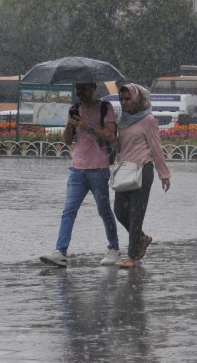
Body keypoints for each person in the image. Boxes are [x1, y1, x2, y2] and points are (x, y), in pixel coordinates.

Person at [40, 82, 121, 268]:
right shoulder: (74, 109)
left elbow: (111, 136)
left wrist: (88, 127)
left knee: (104, 211)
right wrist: (70, 124)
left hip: (99, 169)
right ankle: (60, 251)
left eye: (83, 89)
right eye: (77, 89)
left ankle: (114, 248)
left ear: (92, 88)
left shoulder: (104, 108)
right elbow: (68, 140)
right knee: (69, 210)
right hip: (77, 169)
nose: (80, 93)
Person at [113, 83, 171, 269]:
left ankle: (132, 256)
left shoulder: (148, 121)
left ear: (137, 99)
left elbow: (156, 148)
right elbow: (119, 146)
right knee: (120, 211)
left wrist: (164, 174)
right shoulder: (122, 121)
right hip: (125, 170)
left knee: (136, 213)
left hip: (142, 170)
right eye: (121, 99)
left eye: (128, 99)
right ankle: (142, 238)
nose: (124, 102)